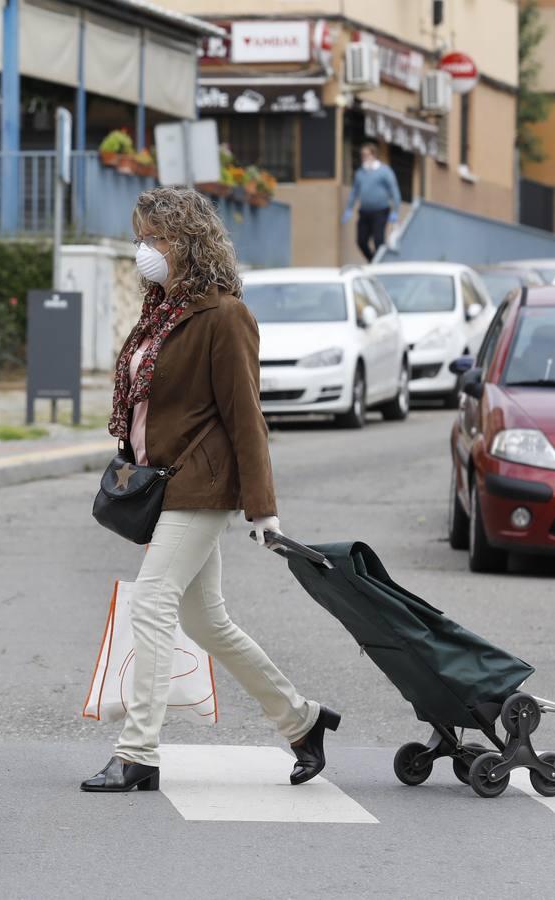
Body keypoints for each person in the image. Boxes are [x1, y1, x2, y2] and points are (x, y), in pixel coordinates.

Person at [81, 186, 341, 794]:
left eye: (157, 238)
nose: (145, 249)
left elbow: (246, 416)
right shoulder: (159, 310)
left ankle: (137, 752)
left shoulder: (225, 316)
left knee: (152, 602)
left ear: (190, 243)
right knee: (207, 621)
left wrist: (263, 509)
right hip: (164, 479)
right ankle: (302, 721)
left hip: (199, 484)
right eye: (140, 236)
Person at [342, 142, 403, 262]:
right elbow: (354, 192)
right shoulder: (360, 173)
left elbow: (394, 190)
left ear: (373, 155)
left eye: (366, 155)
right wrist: (349, 208)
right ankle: (374, 261)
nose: (363, 158)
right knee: (361, 241)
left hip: (380, 211)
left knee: (378, 241)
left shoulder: (384, 171)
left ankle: (379, 263)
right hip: (364, 212)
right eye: (362, 155)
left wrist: (395, 211)